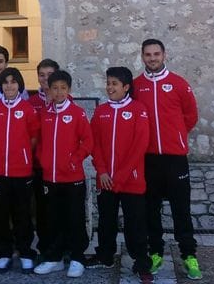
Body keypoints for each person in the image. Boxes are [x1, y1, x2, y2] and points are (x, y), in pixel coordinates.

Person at [132, 38, 201, 280]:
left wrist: (177, 137)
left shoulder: (178, 83)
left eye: (156, 54)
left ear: (164, 55)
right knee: (151, 210)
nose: (152, 58)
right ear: (142, 57)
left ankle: (189, 255)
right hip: (148, 159)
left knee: (181, 210)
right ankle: (156, 252)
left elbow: (191, 114)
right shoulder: (136, 85)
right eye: (148, 54)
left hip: (175, 158)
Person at [90, 66, 153, 283]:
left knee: (135, 224)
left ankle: (142, 263)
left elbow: (140, 145)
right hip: (106, 180)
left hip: (131, 180)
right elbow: (94, 144)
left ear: (126, 87)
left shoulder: (138, 109)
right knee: (106, 221)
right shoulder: (101, 111)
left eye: (114, 84)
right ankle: (105, 256)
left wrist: (122, 175)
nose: (109, 87)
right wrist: (102, 171)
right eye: (108, 83)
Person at [32, 70, 93, 278]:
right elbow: (40, 142)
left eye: (63, 88)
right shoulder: (45, 114)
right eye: (55, 88)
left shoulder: (77, 113)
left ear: (69, 90)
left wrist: (74, 160)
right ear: (49, 89)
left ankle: (77, 258)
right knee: (53, 220)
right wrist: (43, 160)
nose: (58, 92)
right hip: (50, 178)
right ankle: (54, 258)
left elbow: (88, 141)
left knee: (74, 219)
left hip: (73, 179)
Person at [0, 67, 39, 274]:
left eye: (13, 82)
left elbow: (33, 137)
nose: (9, 85)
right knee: (0, 215)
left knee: (22, 215)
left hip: (21, 171)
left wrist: (22, 154)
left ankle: (25, 253)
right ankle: (4, 253)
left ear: (19, 85)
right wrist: (0, 153)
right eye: (6, 82)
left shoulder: (27, 109)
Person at [27, 58, 60, 256]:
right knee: (41, 209)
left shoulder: (65, 100)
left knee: (59, 209)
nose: (46, 79)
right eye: (42, 75)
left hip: (59, 166)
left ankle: (62, 246)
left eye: (50, 75)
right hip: (38, 165)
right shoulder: (31, 102)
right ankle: (45, 246)